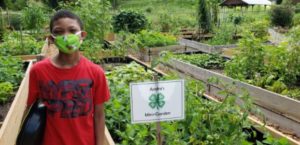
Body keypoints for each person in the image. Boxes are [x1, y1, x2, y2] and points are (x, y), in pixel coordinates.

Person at [26, 10, 110, 145]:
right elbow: (32, 110)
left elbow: (99, 115)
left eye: (72, 30)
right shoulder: (38, 71)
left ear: (82, 35)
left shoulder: (96, 73)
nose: (66, 36)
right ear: (51, 39)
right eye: (59, 32)